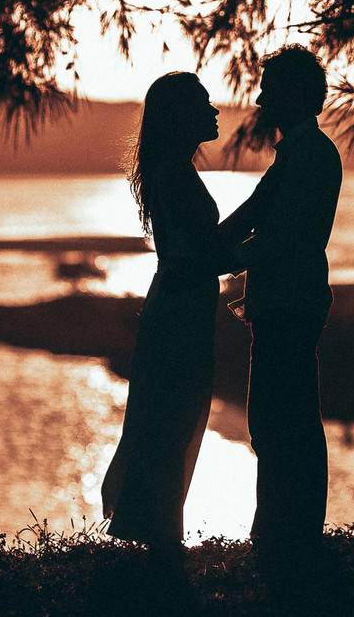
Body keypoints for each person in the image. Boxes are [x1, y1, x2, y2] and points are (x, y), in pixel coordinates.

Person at [219, 45, 343, 596]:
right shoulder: (296, 154)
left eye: (270, 88)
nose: (262, 97)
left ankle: (288, 535)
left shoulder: (309, 155)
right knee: (278, 419)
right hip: (285, 301)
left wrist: (225, 255)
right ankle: (282, 532)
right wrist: (215, 241)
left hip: (290, 303)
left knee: (282, 420)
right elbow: (254, 212)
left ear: (296, 94)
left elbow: (281, 232)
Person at [100, 71, 230, 574]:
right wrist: (266, 236)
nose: (215, 111)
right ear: (179, 116)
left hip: (184, 307)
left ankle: (160, 535)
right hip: (180, 309)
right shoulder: (174, 174)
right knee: (173, 419)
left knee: (174, 417)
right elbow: (200, 255)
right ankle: (162, 539)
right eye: (204, 103)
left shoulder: (173, 169)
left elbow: (204, 250)